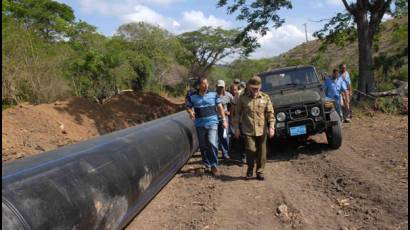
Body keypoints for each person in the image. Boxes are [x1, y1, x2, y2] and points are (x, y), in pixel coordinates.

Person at [234, 76, 275, 180]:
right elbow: (237, 114)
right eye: (253, 87)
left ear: (260, 86)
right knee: (250, 150)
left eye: (257, 88)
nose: (255, 90)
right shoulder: (242, 98)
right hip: (248, 129)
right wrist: (237, 128)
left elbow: (270, 113)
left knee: (262, 152)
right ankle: (250, 168)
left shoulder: (265, 97)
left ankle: (260, 172)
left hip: (262, 129)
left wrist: (271, 127)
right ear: (249, 86)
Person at [186, 77, 227, 176]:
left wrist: (224, 120)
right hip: (200, 125)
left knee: (212, 142)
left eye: (207, 83)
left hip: (212, 123)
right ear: (199, 85)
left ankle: (214, 165)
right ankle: (206, 164)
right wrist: (191, 112)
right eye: (204, 84)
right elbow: (187, 106)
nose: (206, 85)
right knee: (203, 145)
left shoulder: (213, 94)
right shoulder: (192, 96)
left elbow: (220, 107)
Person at [216, 80, 234, 160]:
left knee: (225, 136)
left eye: (222, 87)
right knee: (215, 137)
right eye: (219, 87)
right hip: (215, 118)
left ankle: (225, 153)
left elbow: (233, 104)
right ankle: (215, 154)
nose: (220, 89)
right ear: (216, 86)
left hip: (225, 119)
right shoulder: (213, 95)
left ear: (224, 87)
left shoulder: (228, 95)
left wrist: (230, 112)